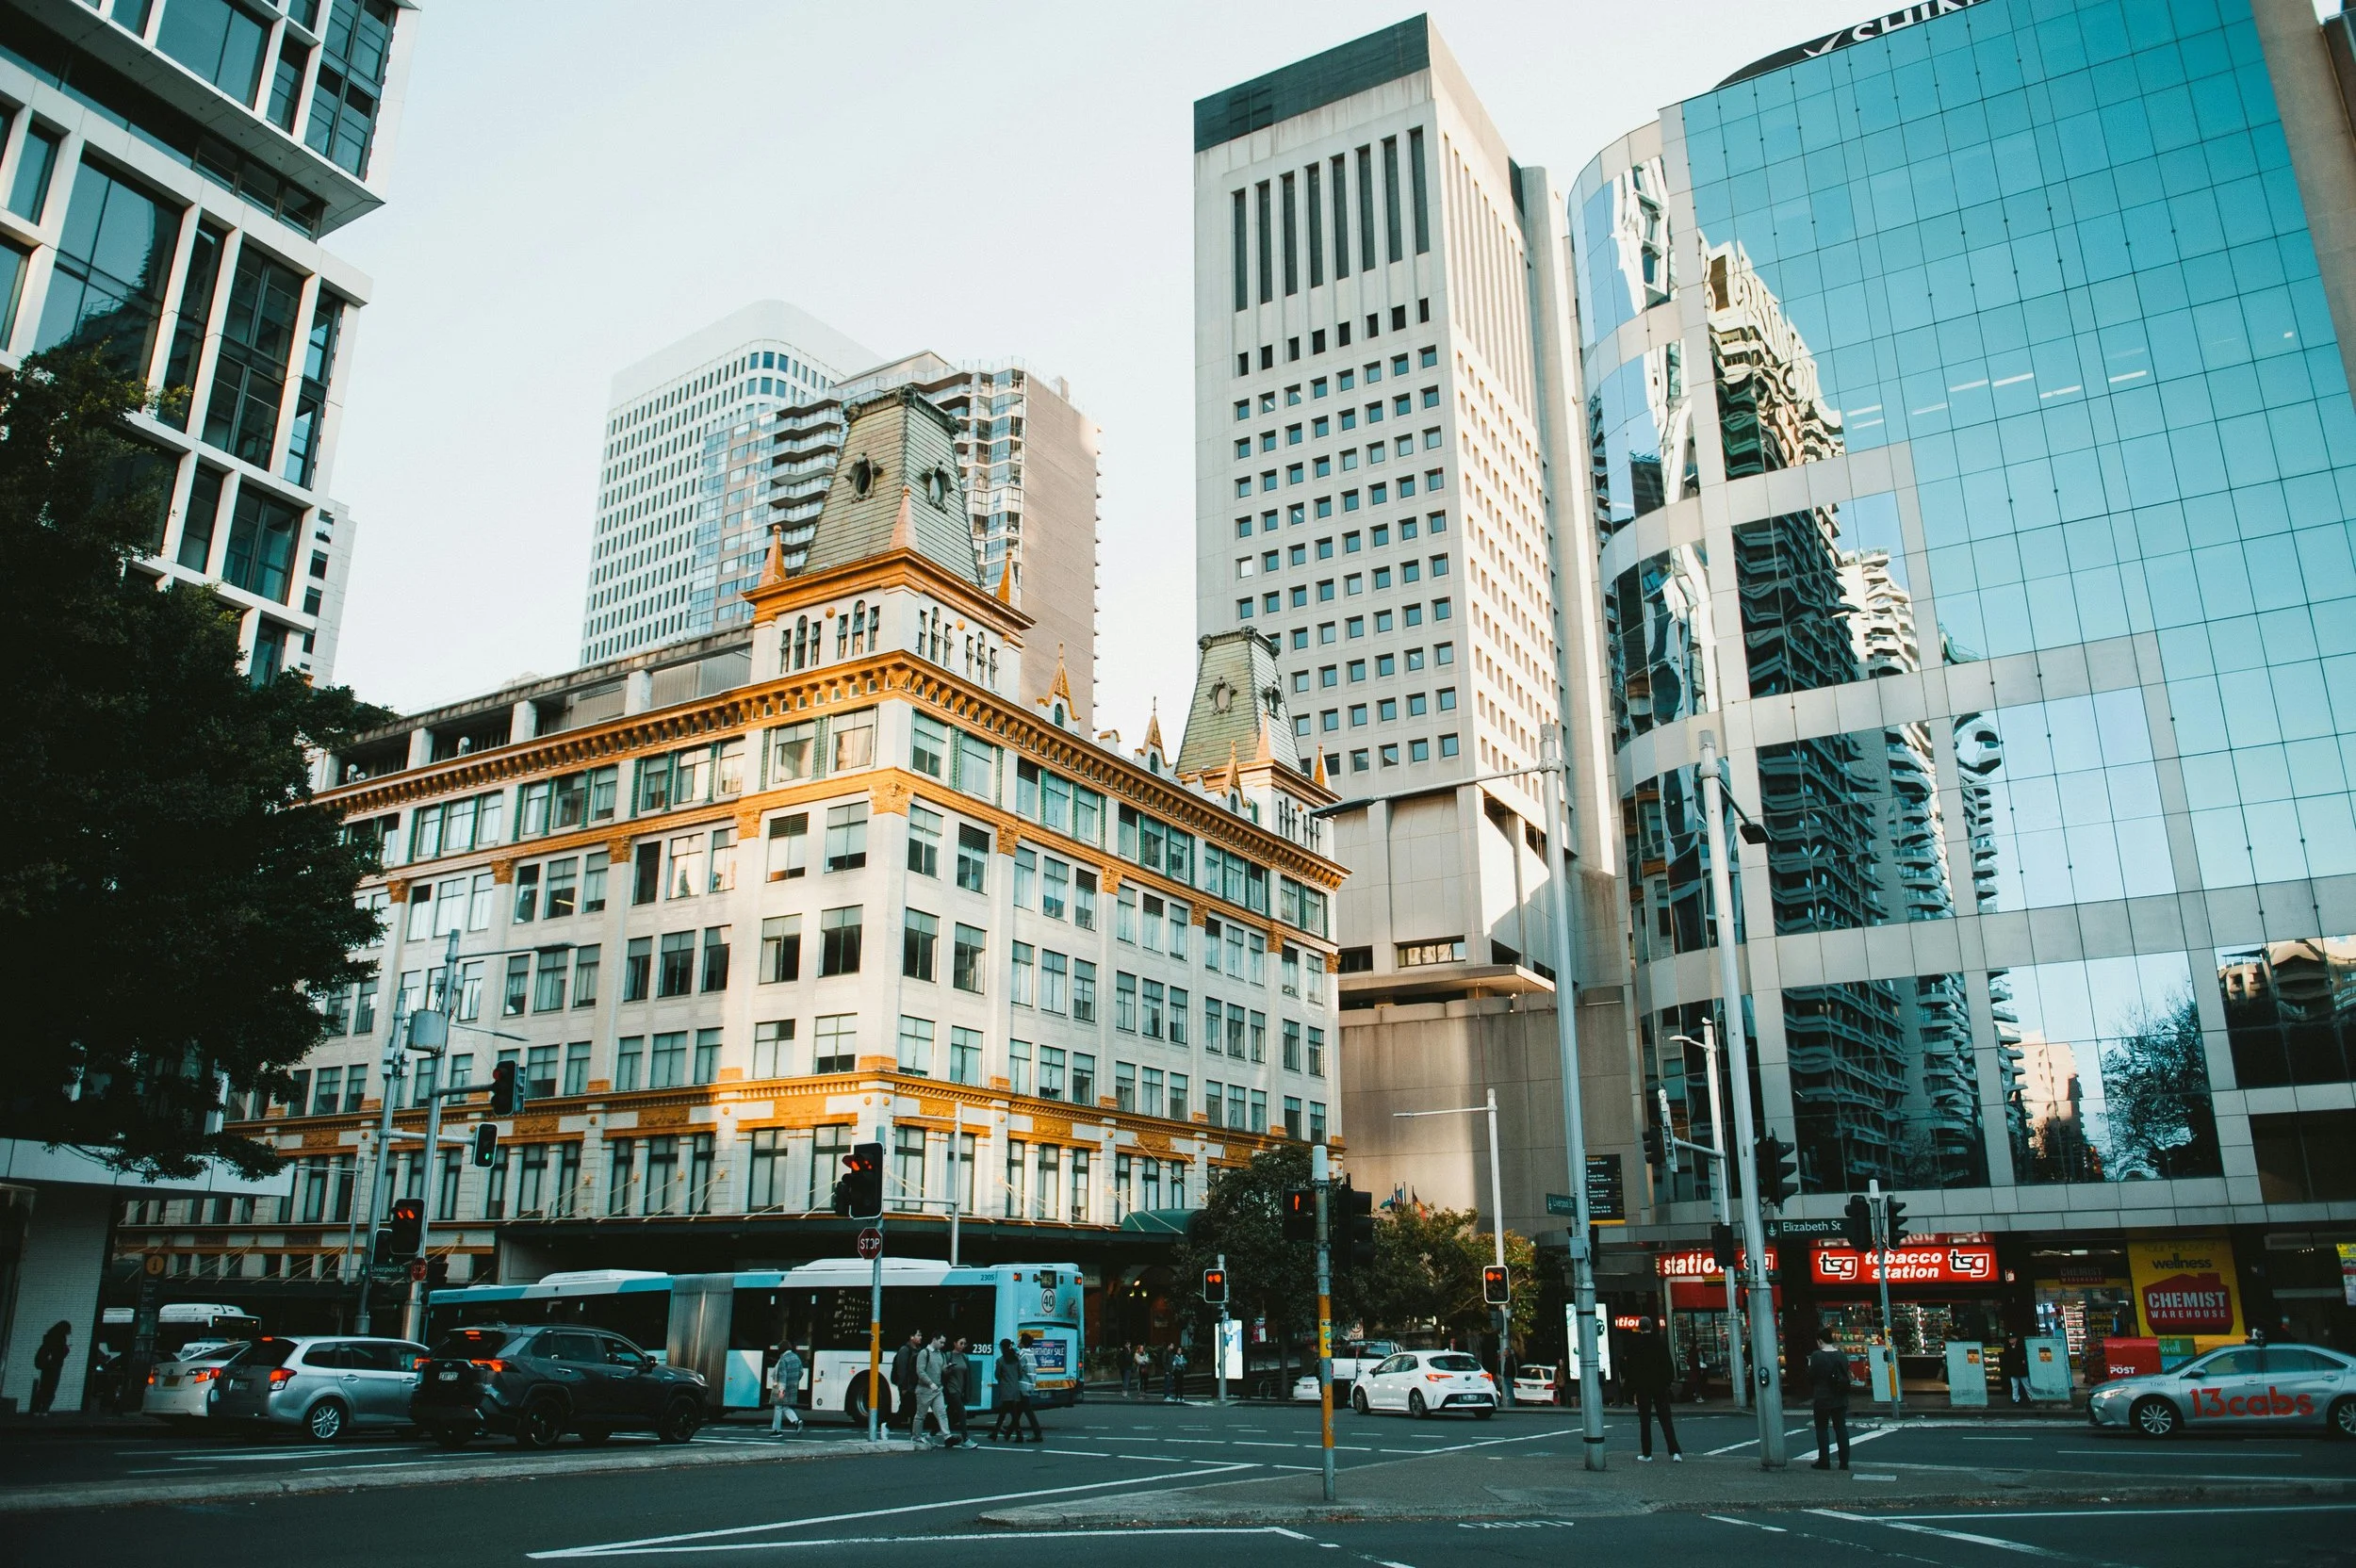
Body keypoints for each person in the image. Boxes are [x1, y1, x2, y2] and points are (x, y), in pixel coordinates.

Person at [1625, 1315, 1681, 1462]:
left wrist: (1631, 1391)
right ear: (1651, 1326)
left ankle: (1647, 1453)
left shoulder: (1635, 1346)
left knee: (1645, 1421)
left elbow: (1631, 1370)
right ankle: (1674, 1451)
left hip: (1643, 1387)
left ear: (1639, 1328)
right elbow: (1668, 1366)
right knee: (1666, 1419)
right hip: (1659, 1386)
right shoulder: (1660, 1343)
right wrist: (1666, 1383)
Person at [1808, 1331, 1852, 1470]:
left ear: (1820, 1340)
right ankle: (1844, 1462)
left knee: (1822, 1429)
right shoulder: (1842, 1355)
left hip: (1822, 1397)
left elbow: (1811, 1377)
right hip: (1840, 1397)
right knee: (1841, 1428)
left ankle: (1824, 1461)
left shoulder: (1816, 1356)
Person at [991, 1337, 1043, 1442]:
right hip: (1029, 1384)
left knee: (1026, 1410)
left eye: (1020, 1341)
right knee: (1017, 1411)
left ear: (1023, 1343)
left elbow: (1017, 1369)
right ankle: (1009, 1432)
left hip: (1022, 1385)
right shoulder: (1031, 1354)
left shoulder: (1022, 1354)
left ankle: (1037, 1433)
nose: (1018, 1343)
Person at [910, 1333, 954, 1449]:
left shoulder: (941, 1354)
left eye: (944, 1343)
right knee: (921, 1415)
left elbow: (942, 1370)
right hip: (925, 1389)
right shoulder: (924, 1353)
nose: (943, 1345)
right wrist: (930, 1383)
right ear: (934, 1340)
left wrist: (947, 1368)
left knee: (942, 1413)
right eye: (941, 1342)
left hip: (937, 1389)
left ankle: (947, 1437)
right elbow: (920, 1371)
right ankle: (916, 1437)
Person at [30, 1322, 71, 1416]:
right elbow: (60, 1353)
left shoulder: (49, 1337)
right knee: (51, 1388)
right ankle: (44, 1409)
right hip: (55, 1366)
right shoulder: (61, 1338)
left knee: (43, 1387)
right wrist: (67, 1349)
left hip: (46, 1365)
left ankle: (35, 1409)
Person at [890, 1330, 924, 1434]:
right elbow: (902, 1370)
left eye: (921, 1335)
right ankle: (887, 1426)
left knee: (913, 1410)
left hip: (915, 1385)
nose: (921, 1337)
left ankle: (914, 1435)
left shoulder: (919, 1350)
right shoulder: (905, 1350)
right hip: (907, 1386)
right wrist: (903, 1387)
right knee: (905, 1411)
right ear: (911, 1337)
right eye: (918, 1335)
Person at [768, 1343, 806, 1434]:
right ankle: (796, 1421)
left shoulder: (783, 1359)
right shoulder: (796, 1357)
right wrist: (795, 1381)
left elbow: (783, 1375)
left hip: (782, 1386)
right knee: (784, 1406)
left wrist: (781, 1390)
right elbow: (801, 1371)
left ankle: (777, 1430)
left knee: (778, 1407)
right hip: (793, 1386)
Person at [942, 1336, 973, 1448]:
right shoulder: (948, 1355)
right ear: (955, 1343)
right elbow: (943, 1372)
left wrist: (967, 1391)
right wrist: (948, 1369)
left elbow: (967, 1376)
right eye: (961, 1343)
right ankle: (965, 1439)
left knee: (948, 1414)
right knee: (962, 1412)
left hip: (959, 1390)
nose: (963, 1346)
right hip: (951, 1389)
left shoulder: (965, 1357)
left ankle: (930, 1435)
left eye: (964, 1344)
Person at [2002, 1334, 2030, 1405]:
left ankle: (2030, 1397)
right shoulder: (2008, 1347)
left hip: (2019, 1370)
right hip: (2015, 1371)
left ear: (2016, 1339)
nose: (2011, 1340)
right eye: (2010, 1339)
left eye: (2012, 1339)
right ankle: (2015, 1398)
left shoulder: (2020, 1347)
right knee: (2015, 1386)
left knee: (2026, 1385)